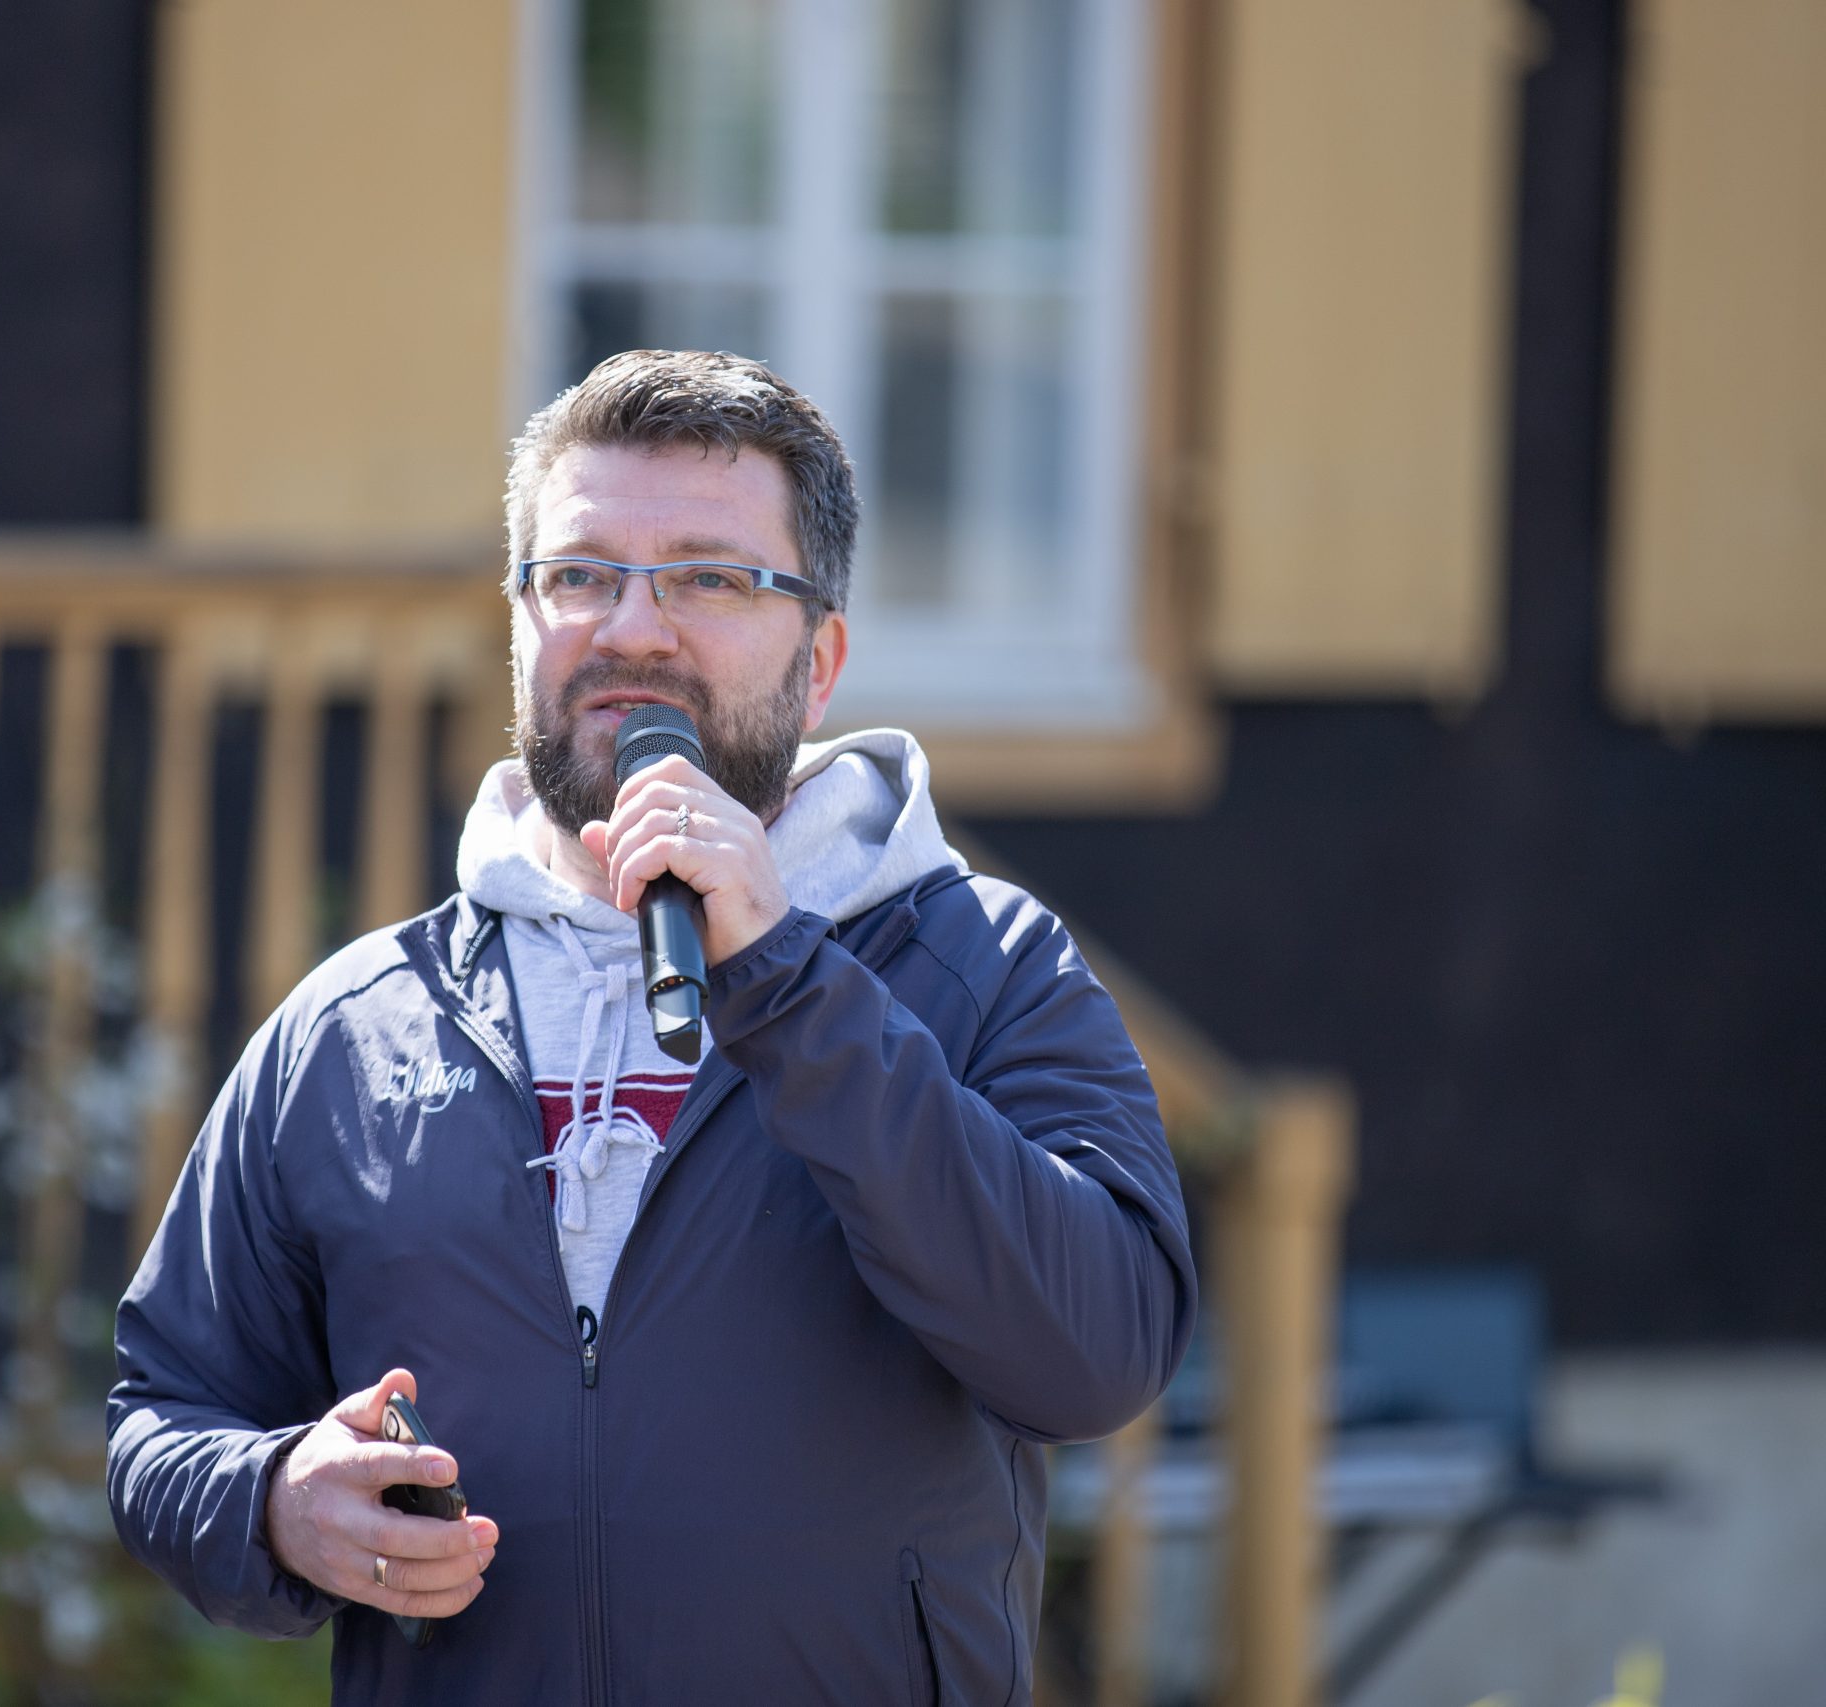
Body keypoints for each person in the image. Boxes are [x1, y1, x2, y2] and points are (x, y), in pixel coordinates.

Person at [106, 349, 1196, 1705]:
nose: (633, 628)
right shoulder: (355, 1028)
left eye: (710, 578)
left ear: (821, 660)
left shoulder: (982, 966)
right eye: (580, 576)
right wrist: (275, 1502)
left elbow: (1099, 1355)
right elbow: (161, 1417)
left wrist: (792, 983)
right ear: (522, 626)